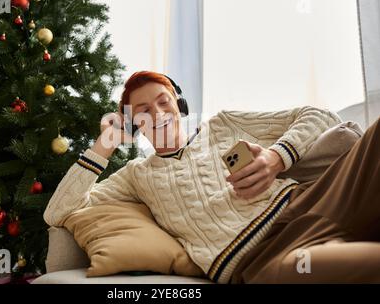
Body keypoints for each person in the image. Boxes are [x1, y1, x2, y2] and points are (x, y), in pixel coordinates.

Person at [44, 71, 380, 283]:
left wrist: (278, 158)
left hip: (314, 203)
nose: (158, 114)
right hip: (266, 257)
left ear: (181, 105)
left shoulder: (223, 124)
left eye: (164, 102)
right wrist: (104, 146)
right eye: (143, 111)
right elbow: (58, 213)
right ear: (134, 125)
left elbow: (319, 115)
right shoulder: (136, 176)